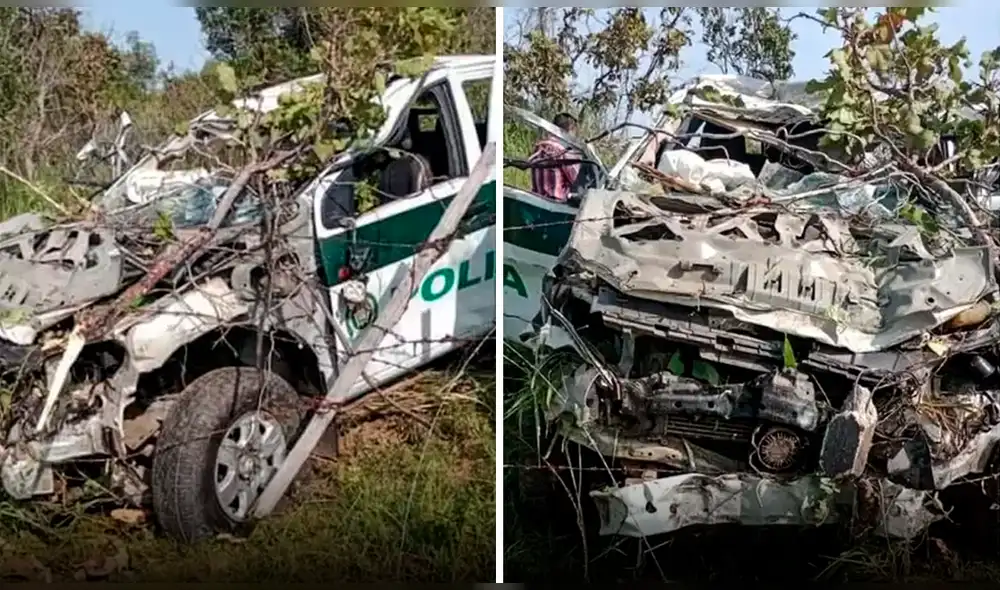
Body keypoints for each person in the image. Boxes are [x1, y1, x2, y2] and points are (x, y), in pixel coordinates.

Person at [528, 112, 581, 202]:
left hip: (537, 199)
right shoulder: (563, 151)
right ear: (570, 130)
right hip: (557, 202)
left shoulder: (539, 146)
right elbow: (576, 180)